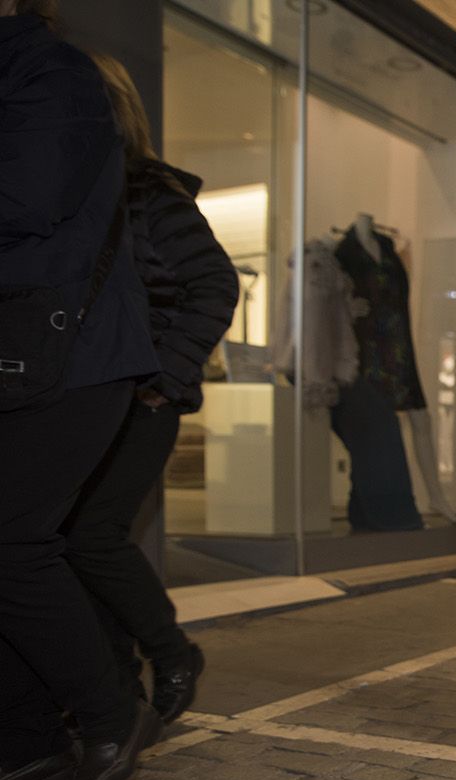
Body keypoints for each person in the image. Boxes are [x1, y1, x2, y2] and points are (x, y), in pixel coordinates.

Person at [1, 0, 163, 780]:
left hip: (72, 359)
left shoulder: (51, 73)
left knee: (13, 543)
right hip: (29, 356)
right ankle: (29, 738)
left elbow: (23, 201)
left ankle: (112, 712)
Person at [62, 54, 238, 724]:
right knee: (70, 542)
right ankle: (119, 690)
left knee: (90, 537)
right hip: (82, 397)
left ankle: (171, 654)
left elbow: (215, 284)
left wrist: (165, 376)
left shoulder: (148, 191)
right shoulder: (74, 194)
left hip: (140, 399)